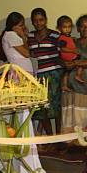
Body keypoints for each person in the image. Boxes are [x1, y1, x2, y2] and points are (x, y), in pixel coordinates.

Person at [61, 15, 87, 133]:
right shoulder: (72, 42)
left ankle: (83, 145)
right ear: (78, 28)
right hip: (70, 87)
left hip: (86, 86)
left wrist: (75, 63)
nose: (85, 29)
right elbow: (61, 55)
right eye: (82, 26)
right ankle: (69, 144)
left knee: (85, 120)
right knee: (69, 119)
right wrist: (65, 63)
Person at [27, 8, 63, 136]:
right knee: (42, 109)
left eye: (41, 20)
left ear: (46, 20)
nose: (38, 23)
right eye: (35, 21)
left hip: (53, 75)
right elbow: (29, 53)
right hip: (38, 76)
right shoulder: (30, 36)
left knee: (55, 108)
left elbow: (63, 54)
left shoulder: (55, 35)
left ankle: (58, 138)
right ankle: (50, 137)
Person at [57, 15, 82, 93]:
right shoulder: (61, 38)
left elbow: (69, 42)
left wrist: (72, 39)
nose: (67, 29)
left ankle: (64, 85)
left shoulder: (67, 37)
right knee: (81, 62)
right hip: (68, 57)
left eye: (69, 27)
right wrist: (73, 51)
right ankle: (78, 75)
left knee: (66, 73)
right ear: (59, 28)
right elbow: (62, 48)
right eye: (65, 27)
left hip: (70, 57)